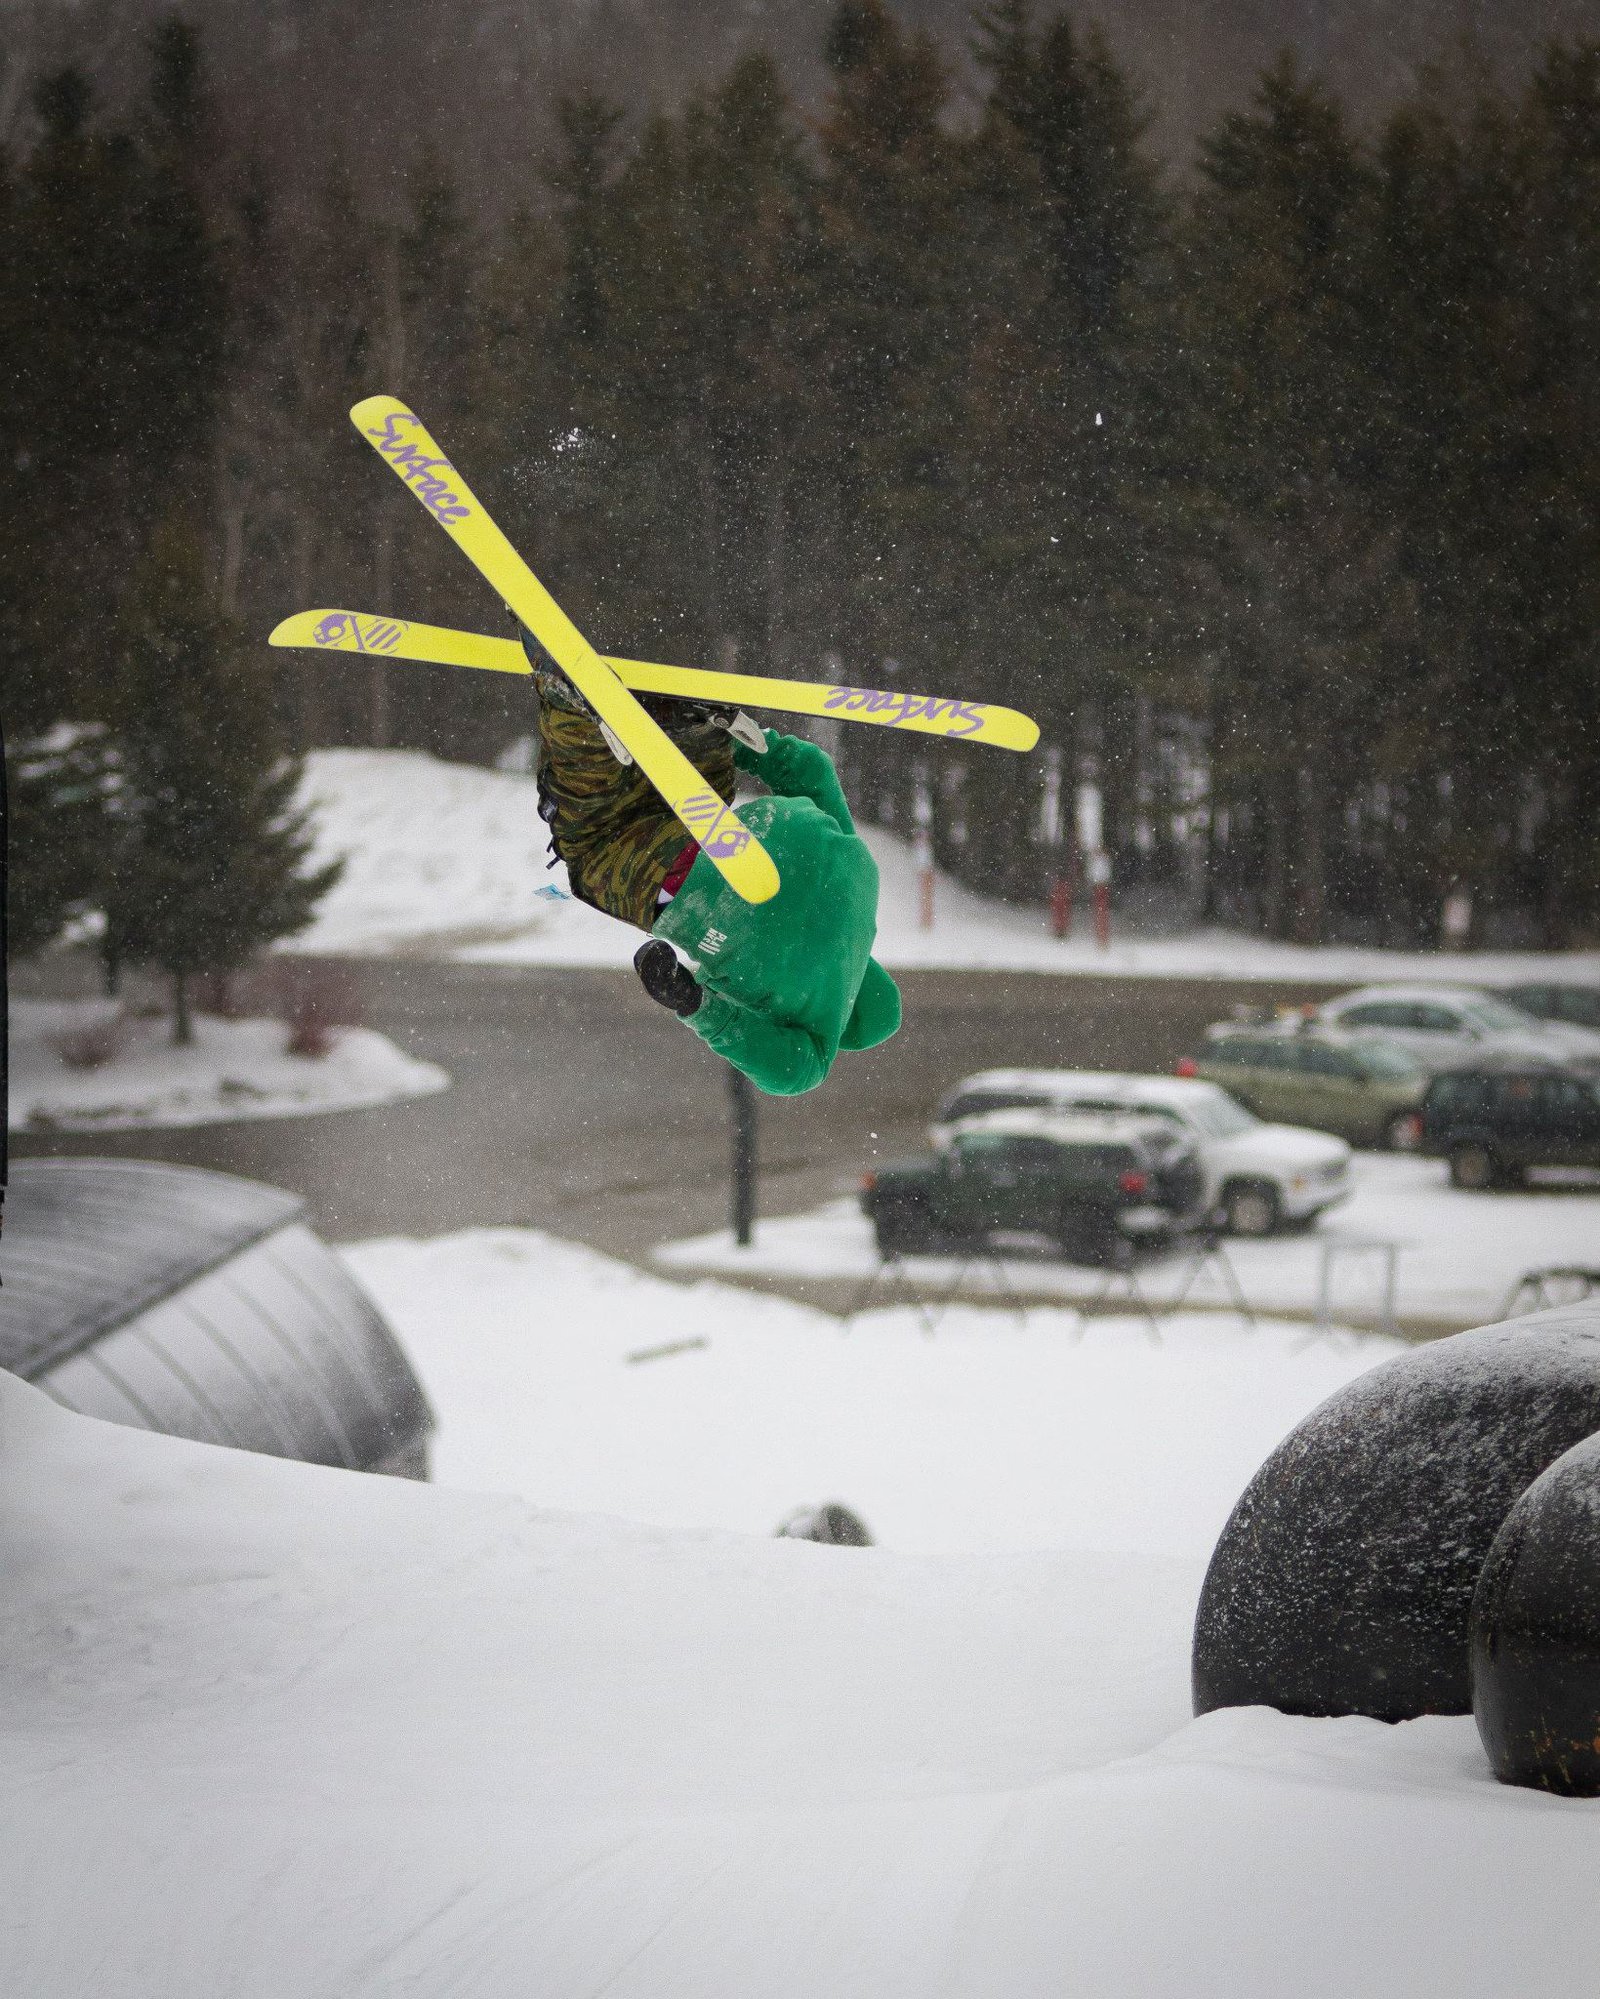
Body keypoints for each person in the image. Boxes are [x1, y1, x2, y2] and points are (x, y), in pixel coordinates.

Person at [523, 630, 901, 1096]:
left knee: (687, 785)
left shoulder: (863, 909)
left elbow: (813, 772)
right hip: (701, 888)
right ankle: (571, 709)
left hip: (740, 833)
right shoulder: (816, 1037)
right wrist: (693, 1002)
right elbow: (786, 1072)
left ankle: (693, 730)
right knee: (592, 843)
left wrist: (746, 744)